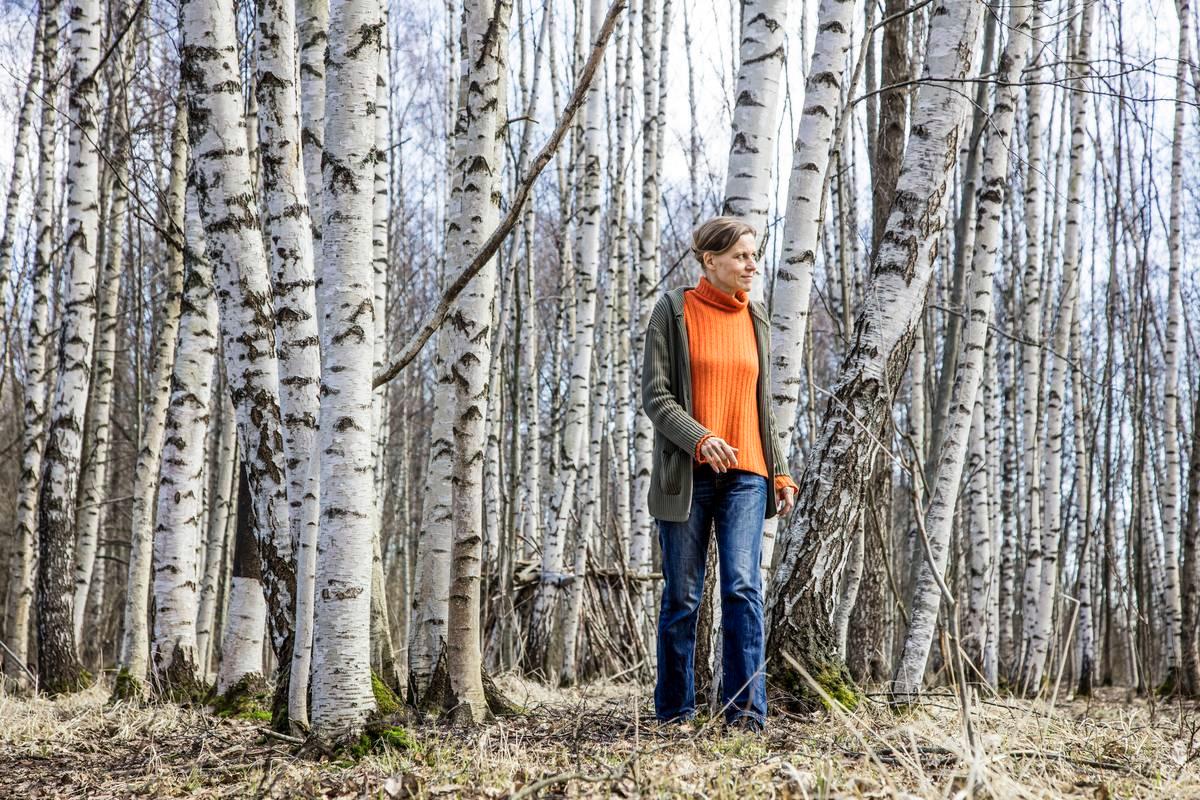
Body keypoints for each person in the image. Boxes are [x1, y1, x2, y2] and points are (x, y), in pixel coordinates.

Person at [641, 216, 798, 732]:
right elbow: (657, 398)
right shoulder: (673, 311)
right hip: (686, 476)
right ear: (711, 261)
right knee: (683, 597)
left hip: (748, 473)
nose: (753, 265)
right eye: (742, 256)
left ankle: (746, 715)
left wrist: (780, 472)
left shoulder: (757, 319)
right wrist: (700, 438)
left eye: (754, 256)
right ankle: (674, 714)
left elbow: (761, 408)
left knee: (742, 588)